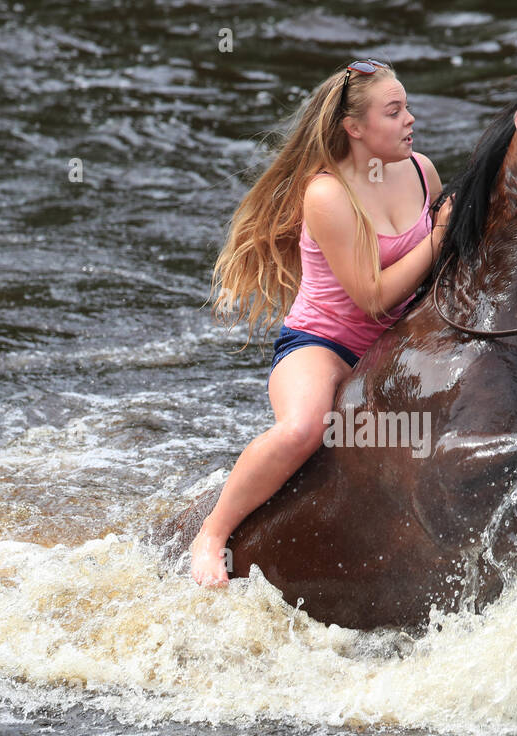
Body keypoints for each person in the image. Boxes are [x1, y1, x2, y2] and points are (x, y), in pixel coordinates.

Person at [193, 58, 454, 586]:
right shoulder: (327, 193)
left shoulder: (422, 172)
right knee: (304, 427)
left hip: (402, 342)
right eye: (394, 111)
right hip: (324, 344)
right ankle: (212, 534)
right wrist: (440, 236)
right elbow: (372, 297)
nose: (410, 120)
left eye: (407, 107)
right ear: (354, 128)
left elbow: (434, 277)